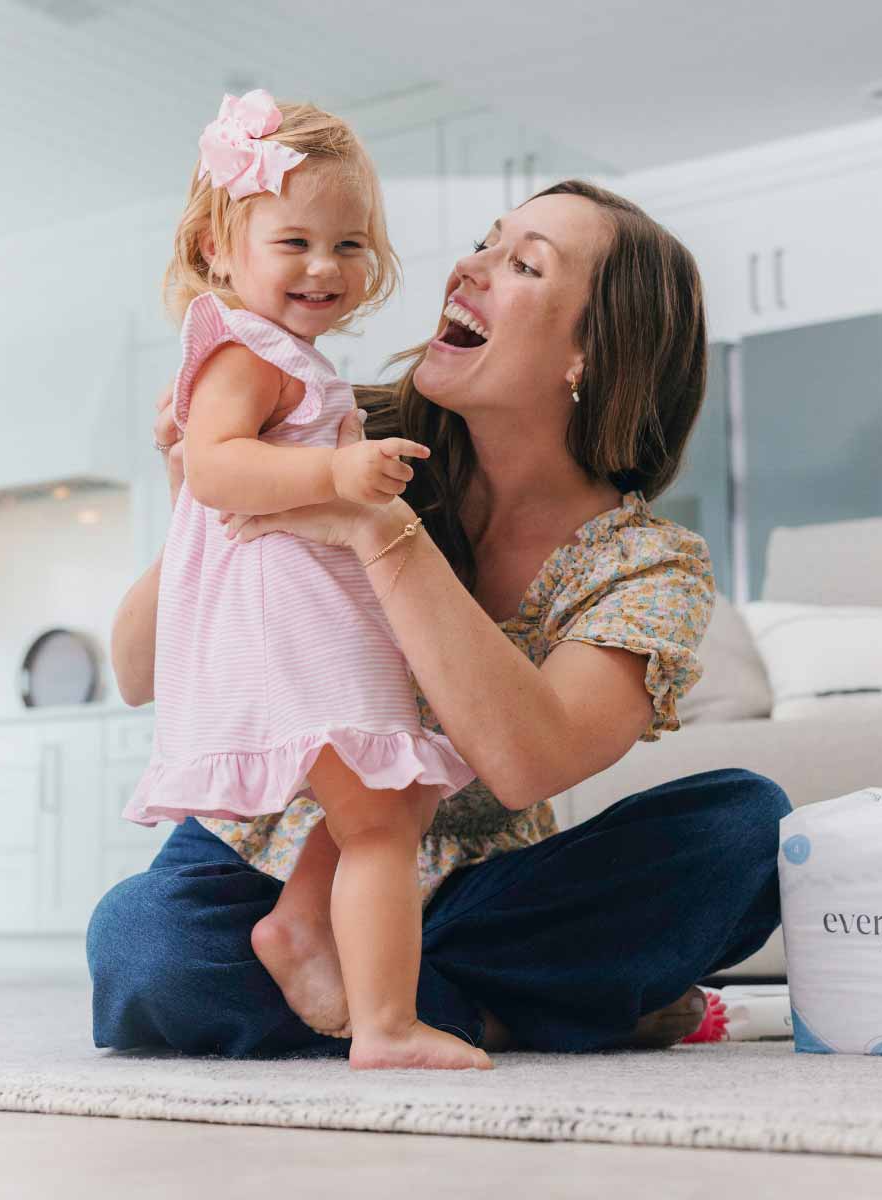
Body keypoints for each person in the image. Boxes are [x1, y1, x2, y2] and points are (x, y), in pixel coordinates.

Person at [90, 176, 793, 1061]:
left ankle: (396, 998)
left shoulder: (646, 564)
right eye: (486, 240)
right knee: (147, 947)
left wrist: (378, 530)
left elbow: (528, 760)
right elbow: (136, 673)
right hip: (270, 871)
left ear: (592, 354)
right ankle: (518, 1012)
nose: (469, 267)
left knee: (746, 826)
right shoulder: (342, 437)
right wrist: (195, 500)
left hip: (478, 887)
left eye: (523, 265)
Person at [125, 89, 484, 1071]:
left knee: (392, 801)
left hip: (320, 602)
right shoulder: (240, 350)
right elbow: (214, 467)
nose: (325, 267)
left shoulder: (290, 355)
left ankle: (294, 924)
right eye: (294, 241)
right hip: (285, 616)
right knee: (377, 817)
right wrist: (332, 472)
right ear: (215, 247)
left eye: (350, 243)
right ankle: (385, 1027)